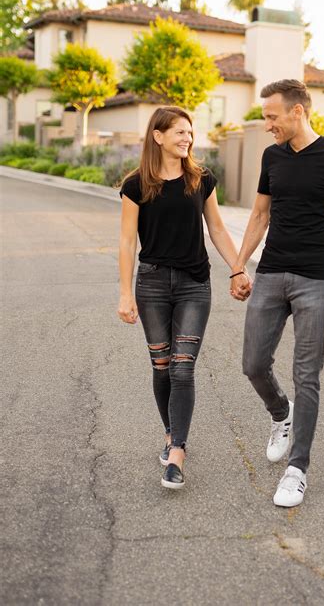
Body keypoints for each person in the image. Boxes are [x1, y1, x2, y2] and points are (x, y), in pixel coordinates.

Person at [230, 79, 324, 508]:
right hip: (270, 272)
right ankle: (279, 414)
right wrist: (238, 265)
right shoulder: (272, 157)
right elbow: (259, 214)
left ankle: (297, 469)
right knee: (253, 364)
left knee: (307, 374)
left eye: (271, 116)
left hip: (315, 278)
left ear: (297, 112)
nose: (267, 124)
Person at [118, 106, 250, 490]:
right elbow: (127, 243)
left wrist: (238, 267)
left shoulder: (200, 179)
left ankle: (177, 451)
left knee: (182, 367)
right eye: (179, 132)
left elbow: (218, 230)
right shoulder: (135, 184)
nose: (187, 138)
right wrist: (125, 293)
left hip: (195, 284)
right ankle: (170, 432)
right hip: (153, 286)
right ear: (157, 136)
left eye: (190, 132)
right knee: (161, 366)